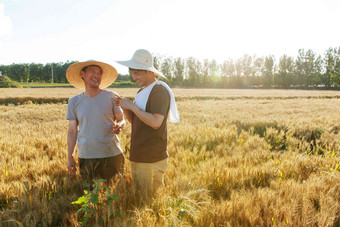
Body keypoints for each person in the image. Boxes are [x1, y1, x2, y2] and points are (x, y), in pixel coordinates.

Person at [114, 49, 180, 197]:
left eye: (136, 73)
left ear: (149, 71)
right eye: (132, 73)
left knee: (151, 199)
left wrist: (132, 106)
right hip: (138, 154)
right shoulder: (141, 92)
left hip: (152, 157)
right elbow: (134, 120)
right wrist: (124, 107)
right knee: (140, 197)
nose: (133, 77)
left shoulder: (159, 91)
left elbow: (156, 122)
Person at [66, 60, 125, 183]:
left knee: (114, 196)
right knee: (90, 196)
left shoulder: (112, 96)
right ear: (82, 74)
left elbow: (121, 119)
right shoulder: (74, 101)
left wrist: (119, 126)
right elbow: (72, 131)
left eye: (99, 73)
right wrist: (70, 156)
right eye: (92, 71)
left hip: (112, 155)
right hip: (87, 157)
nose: (97, 75)